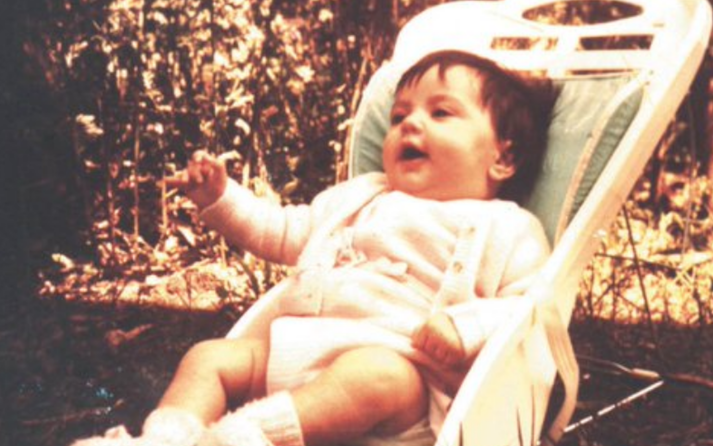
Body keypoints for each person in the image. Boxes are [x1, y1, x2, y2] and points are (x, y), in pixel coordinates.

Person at [72, 50, 558, 446]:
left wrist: (463, 326)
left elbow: (531, 306)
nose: (409, 125)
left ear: (503, 156)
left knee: (375, 375)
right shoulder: (361, 196)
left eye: (441, 113)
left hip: (401, 380)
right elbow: (282, 231)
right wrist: (222, 198)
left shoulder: (507, 227)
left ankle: (236, 438)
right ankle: (164, 439)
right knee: (208, 358)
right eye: (399, 116)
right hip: (295, 351)